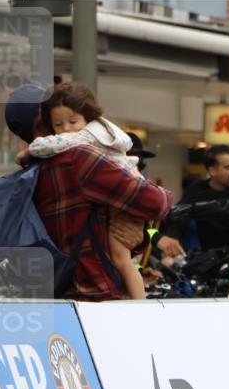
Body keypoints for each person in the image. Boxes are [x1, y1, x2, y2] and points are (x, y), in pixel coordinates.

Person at [15, 89, 172, 301]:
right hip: (99, 291)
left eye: (72, 121)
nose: (65, 130)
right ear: (45, 122)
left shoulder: (28, 173)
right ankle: (141, 309)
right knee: (124, 262)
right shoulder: (77, 156)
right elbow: (156, 203)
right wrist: (143, 229)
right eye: (58, 124)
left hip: (57, 291)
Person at [158, 144, 229, 258]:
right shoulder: (196, 191)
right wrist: (171, 243)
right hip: (207, 260)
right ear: (212, 170)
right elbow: (179, 218)